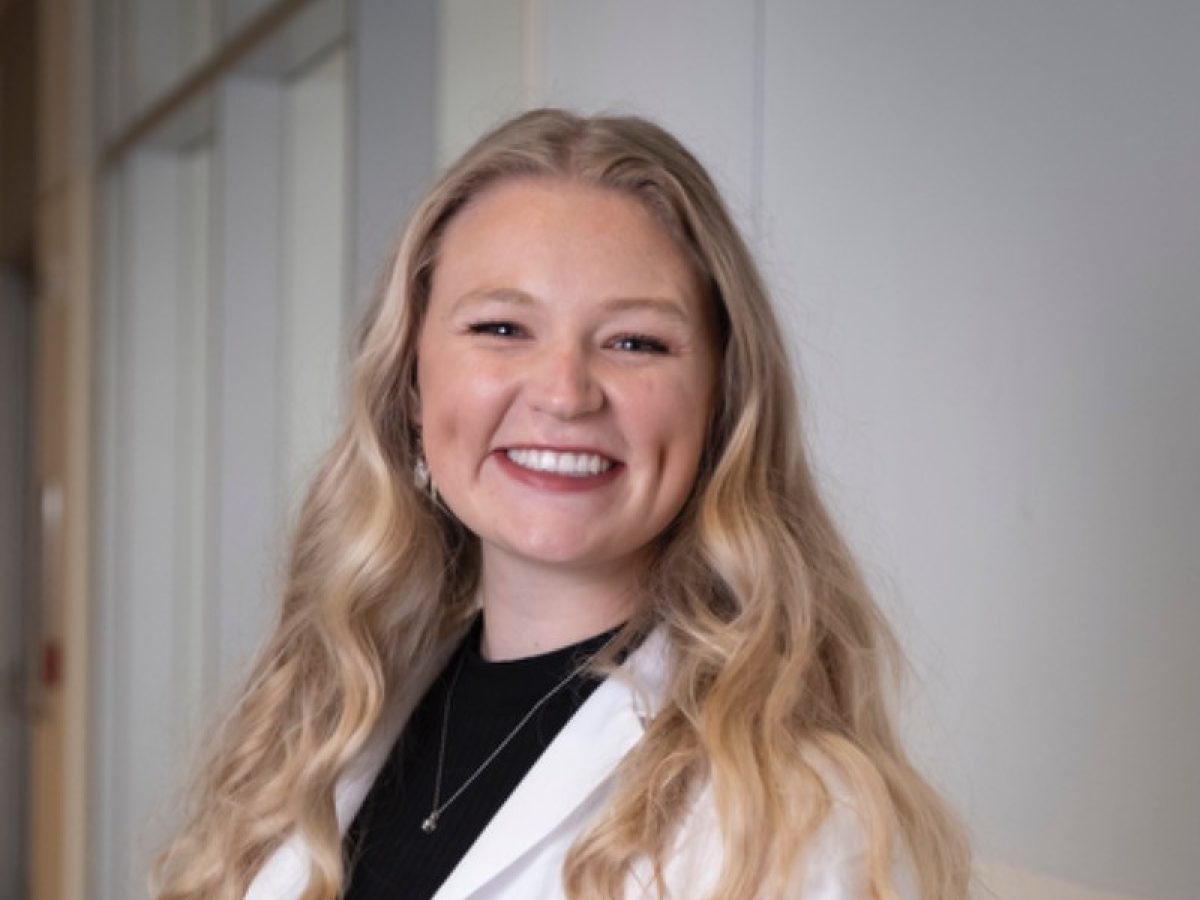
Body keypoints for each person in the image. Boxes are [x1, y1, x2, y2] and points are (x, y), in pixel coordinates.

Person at [153, 109, 970, 900]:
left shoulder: (792, 813)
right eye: (503, 328)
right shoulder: (334, 714)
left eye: (634, 342)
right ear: (409, 379)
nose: (565, 392)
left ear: (720, 400)